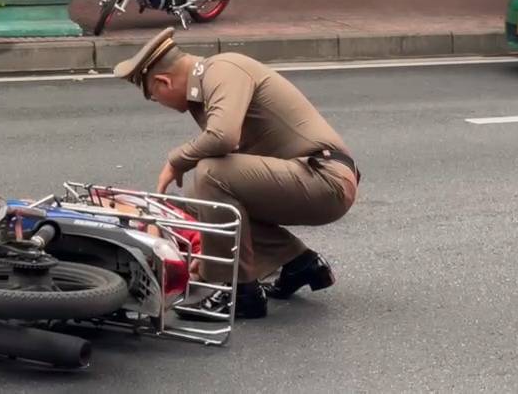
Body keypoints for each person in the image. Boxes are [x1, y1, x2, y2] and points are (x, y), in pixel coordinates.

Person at [113, 27, 360, 319]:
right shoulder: (207, 85)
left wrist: (176, 161)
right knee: (200, 198)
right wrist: (213, 245)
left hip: (326, 178)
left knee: (211, 173)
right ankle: (297, 262)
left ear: (162, 82)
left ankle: (236, 292)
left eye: (155, 97)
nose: (161, 104)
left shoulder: (222, 70)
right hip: (309, 177)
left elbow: (223, 137)